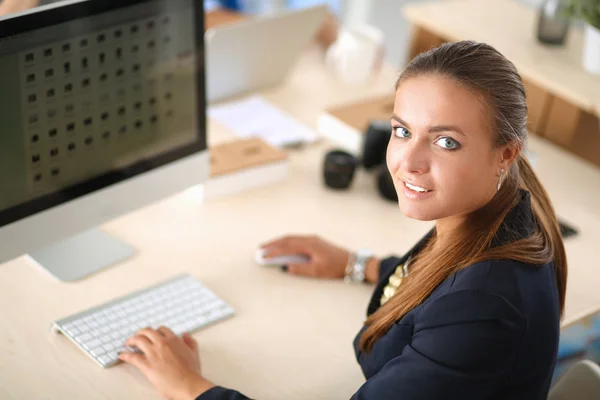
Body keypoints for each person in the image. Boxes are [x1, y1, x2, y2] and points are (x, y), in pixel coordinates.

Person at [118, 39, 568, 400]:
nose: (408, 162)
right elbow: (444, 283)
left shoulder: (483, 310)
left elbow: (460, 307)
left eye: (446, 142)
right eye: (402, 131)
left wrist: (189, 388)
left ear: (505, 155)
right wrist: (359, 264)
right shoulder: (505, 212)